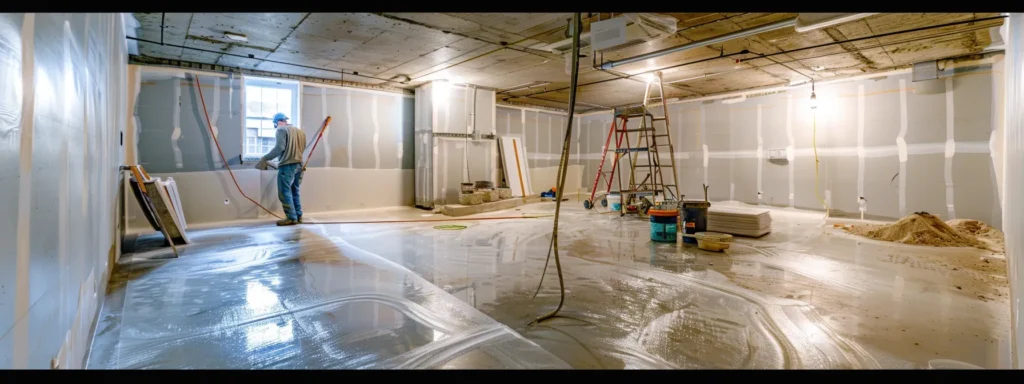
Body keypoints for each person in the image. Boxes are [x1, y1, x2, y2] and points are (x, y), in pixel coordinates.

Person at [256, 113, 307, 226]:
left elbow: (279, 148)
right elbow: (303, 148)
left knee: (284, 192)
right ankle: (299, 216)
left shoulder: (281, 130)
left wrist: (265, 158)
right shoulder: (300, 131)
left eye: (275, 125)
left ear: (278, 122)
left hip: (288, 165)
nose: (276, 127)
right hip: (300, 165)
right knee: (295, 190)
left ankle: (291, 217)